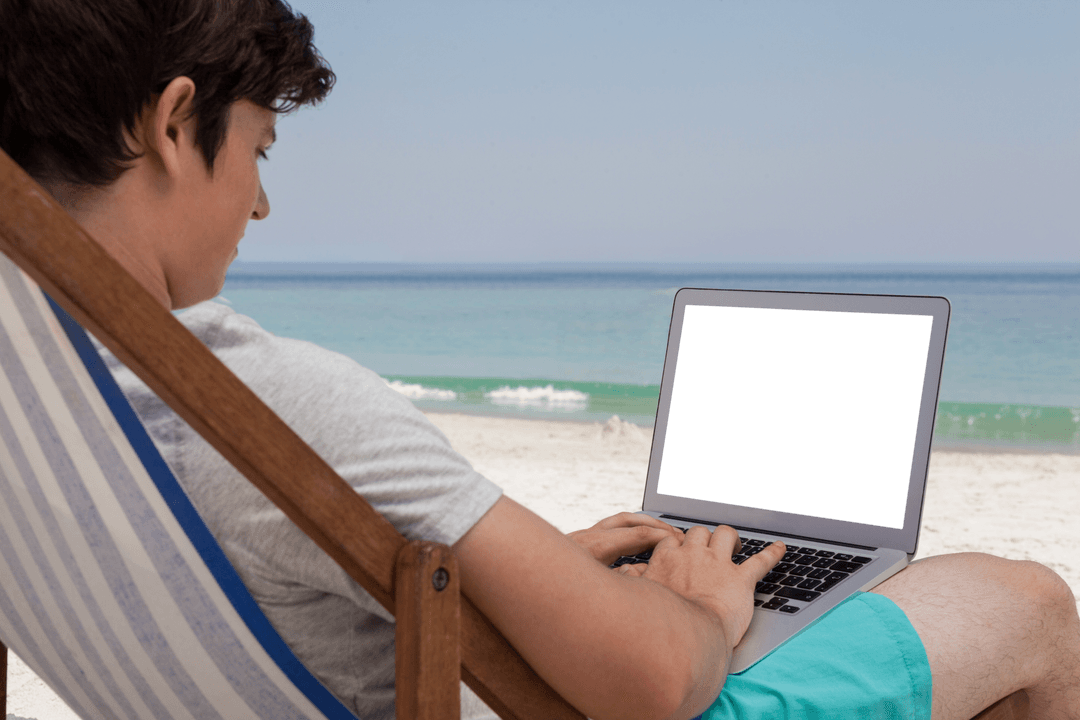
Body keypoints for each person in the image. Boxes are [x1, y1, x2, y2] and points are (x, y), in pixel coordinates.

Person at [2, 2, 1078, 719]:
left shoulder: (37, 396)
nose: (262, 202)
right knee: (1023, 598)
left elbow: (271, 564)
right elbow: (657, 682)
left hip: (429, 658)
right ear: (175, 122)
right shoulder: (258, 402)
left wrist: (544, 573)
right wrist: (701, 608)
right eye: (257, 152)